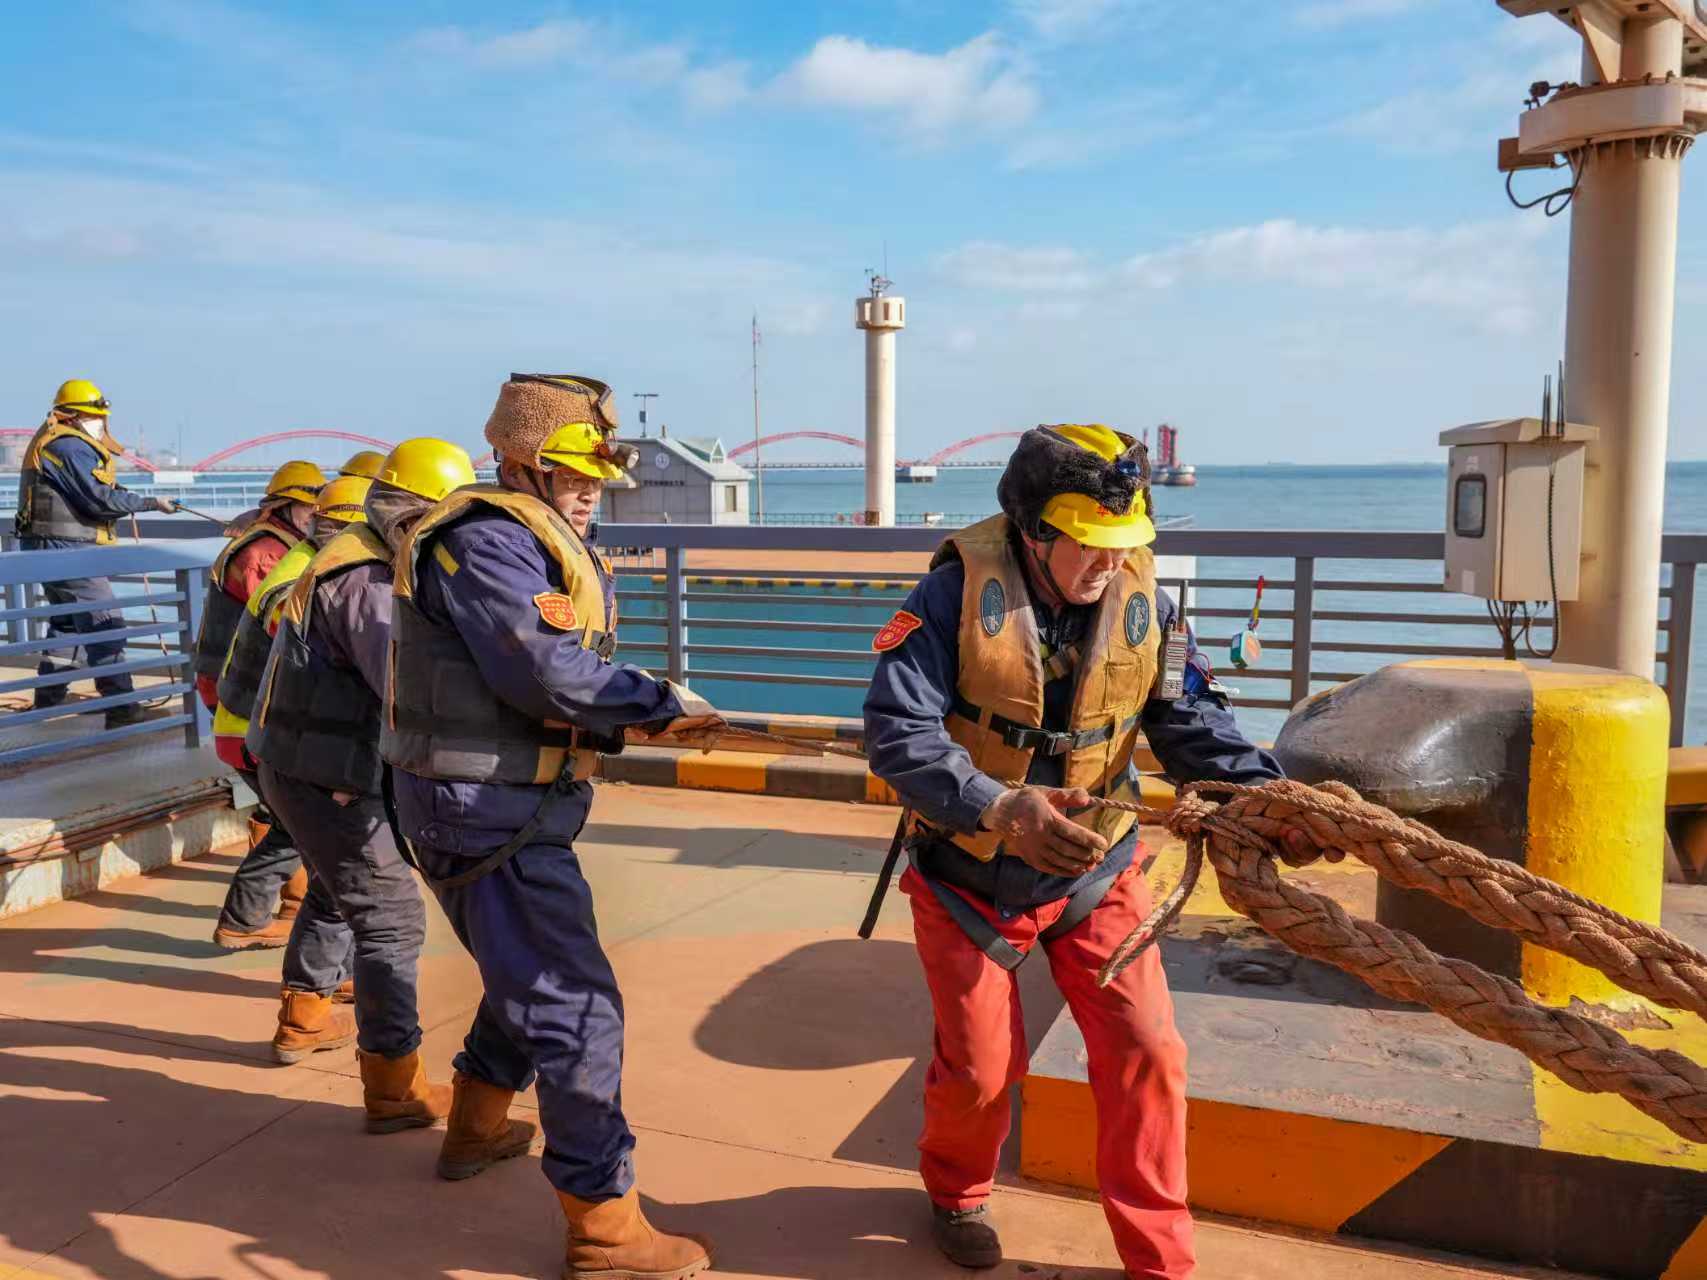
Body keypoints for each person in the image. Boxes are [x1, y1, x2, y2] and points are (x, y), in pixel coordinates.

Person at [864, 425, 1308, 1280]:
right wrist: (996, 806)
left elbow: (1190, 718)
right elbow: (896, 731)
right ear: (1035, 533)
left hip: (1099, 870)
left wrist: (1263, 794)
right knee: (981, 1071)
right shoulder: (949, 597)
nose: (1107, 564)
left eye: (1123, 545)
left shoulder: (1150, 605)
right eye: (1088, 546)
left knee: (1147, 1049)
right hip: (970, 875)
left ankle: (1160, 1259)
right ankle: (955, 1193)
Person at [382, 374, 722, 1279]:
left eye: (598, 474)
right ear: (519, 459)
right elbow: (542, 669)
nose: (590, 488)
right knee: (576, 1010)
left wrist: (650, 706)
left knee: (521, 975)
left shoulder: (521, 534)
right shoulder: (488, 537)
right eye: (574, 470)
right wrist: (655, 703)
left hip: (487, 799)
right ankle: (605, 1230)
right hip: (485, 807)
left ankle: (476, 1127)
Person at [246, 439, 476, 1120]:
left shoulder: (350, 556)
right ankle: (392, 1086)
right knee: (390, 923)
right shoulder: (370, 584)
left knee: (334, 888)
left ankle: (306, 1015)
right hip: (329, 773)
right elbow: (406, 691)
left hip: (302, 763)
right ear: (411, 517)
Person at [195, 460, 324, 950]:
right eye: (311, 507)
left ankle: (292, 903)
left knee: (284, 810)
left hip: (239, 693)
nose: (318, 516)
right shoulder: (267, 555)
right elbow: (278, 633)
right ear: (285, 506)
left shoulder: (276, 545)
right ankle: (245, 916)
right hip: (240, 696)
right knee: (299, 819)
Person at [14, 379, 178, 728]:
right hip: (67, 550)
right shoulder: (70, 446)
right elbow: (99, 500)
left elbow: (96, 489)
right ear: (71, 415)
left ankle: (47, 703)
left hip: (47, 548)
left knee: (67, 626)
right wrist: (151, 503)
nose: (100, 422)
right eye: (93, 416)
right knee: (106, 622)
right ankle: (121, 706)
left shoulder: (56, 442)